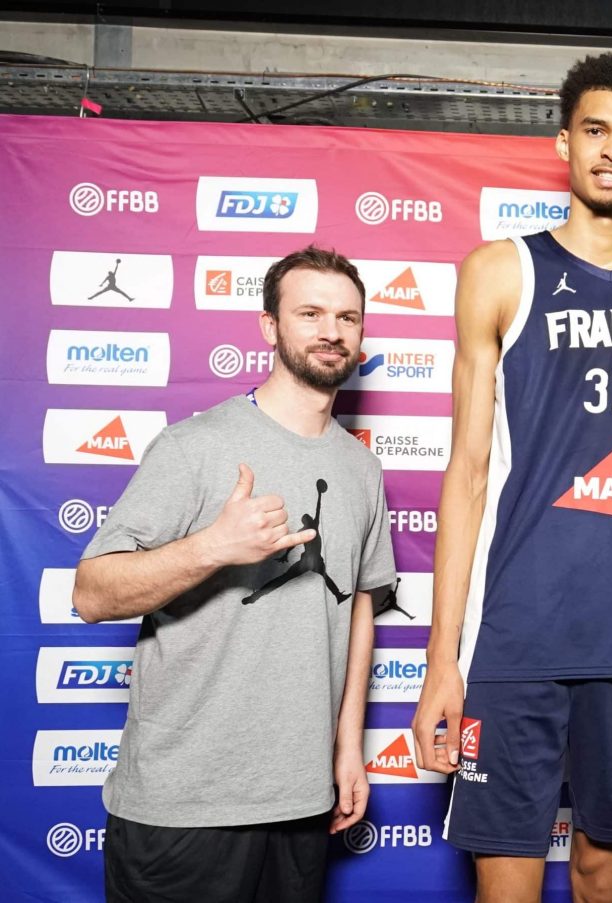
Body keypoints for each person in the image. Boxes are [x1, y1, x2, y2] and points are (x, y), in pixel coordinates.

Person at [410, 53, 612, 902]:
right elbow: (466, 473)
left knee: (600, 874)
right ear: (563, 142)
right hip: (519, 629)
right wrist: (443, 657)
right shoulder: (500, 269)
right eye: (595, 131)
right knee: (505, 877)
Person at [73, 246, 397, 902]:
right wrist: (212, 546)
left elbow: (360, 606)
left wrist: (346, 748)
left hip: (300, 799)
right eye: (309, 313)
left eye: (347, 317)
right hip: (185, 806)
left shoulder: (362, 468)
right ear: (269, 326)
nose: (331, 330)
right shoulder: (196, 446)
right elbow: (91, 594)